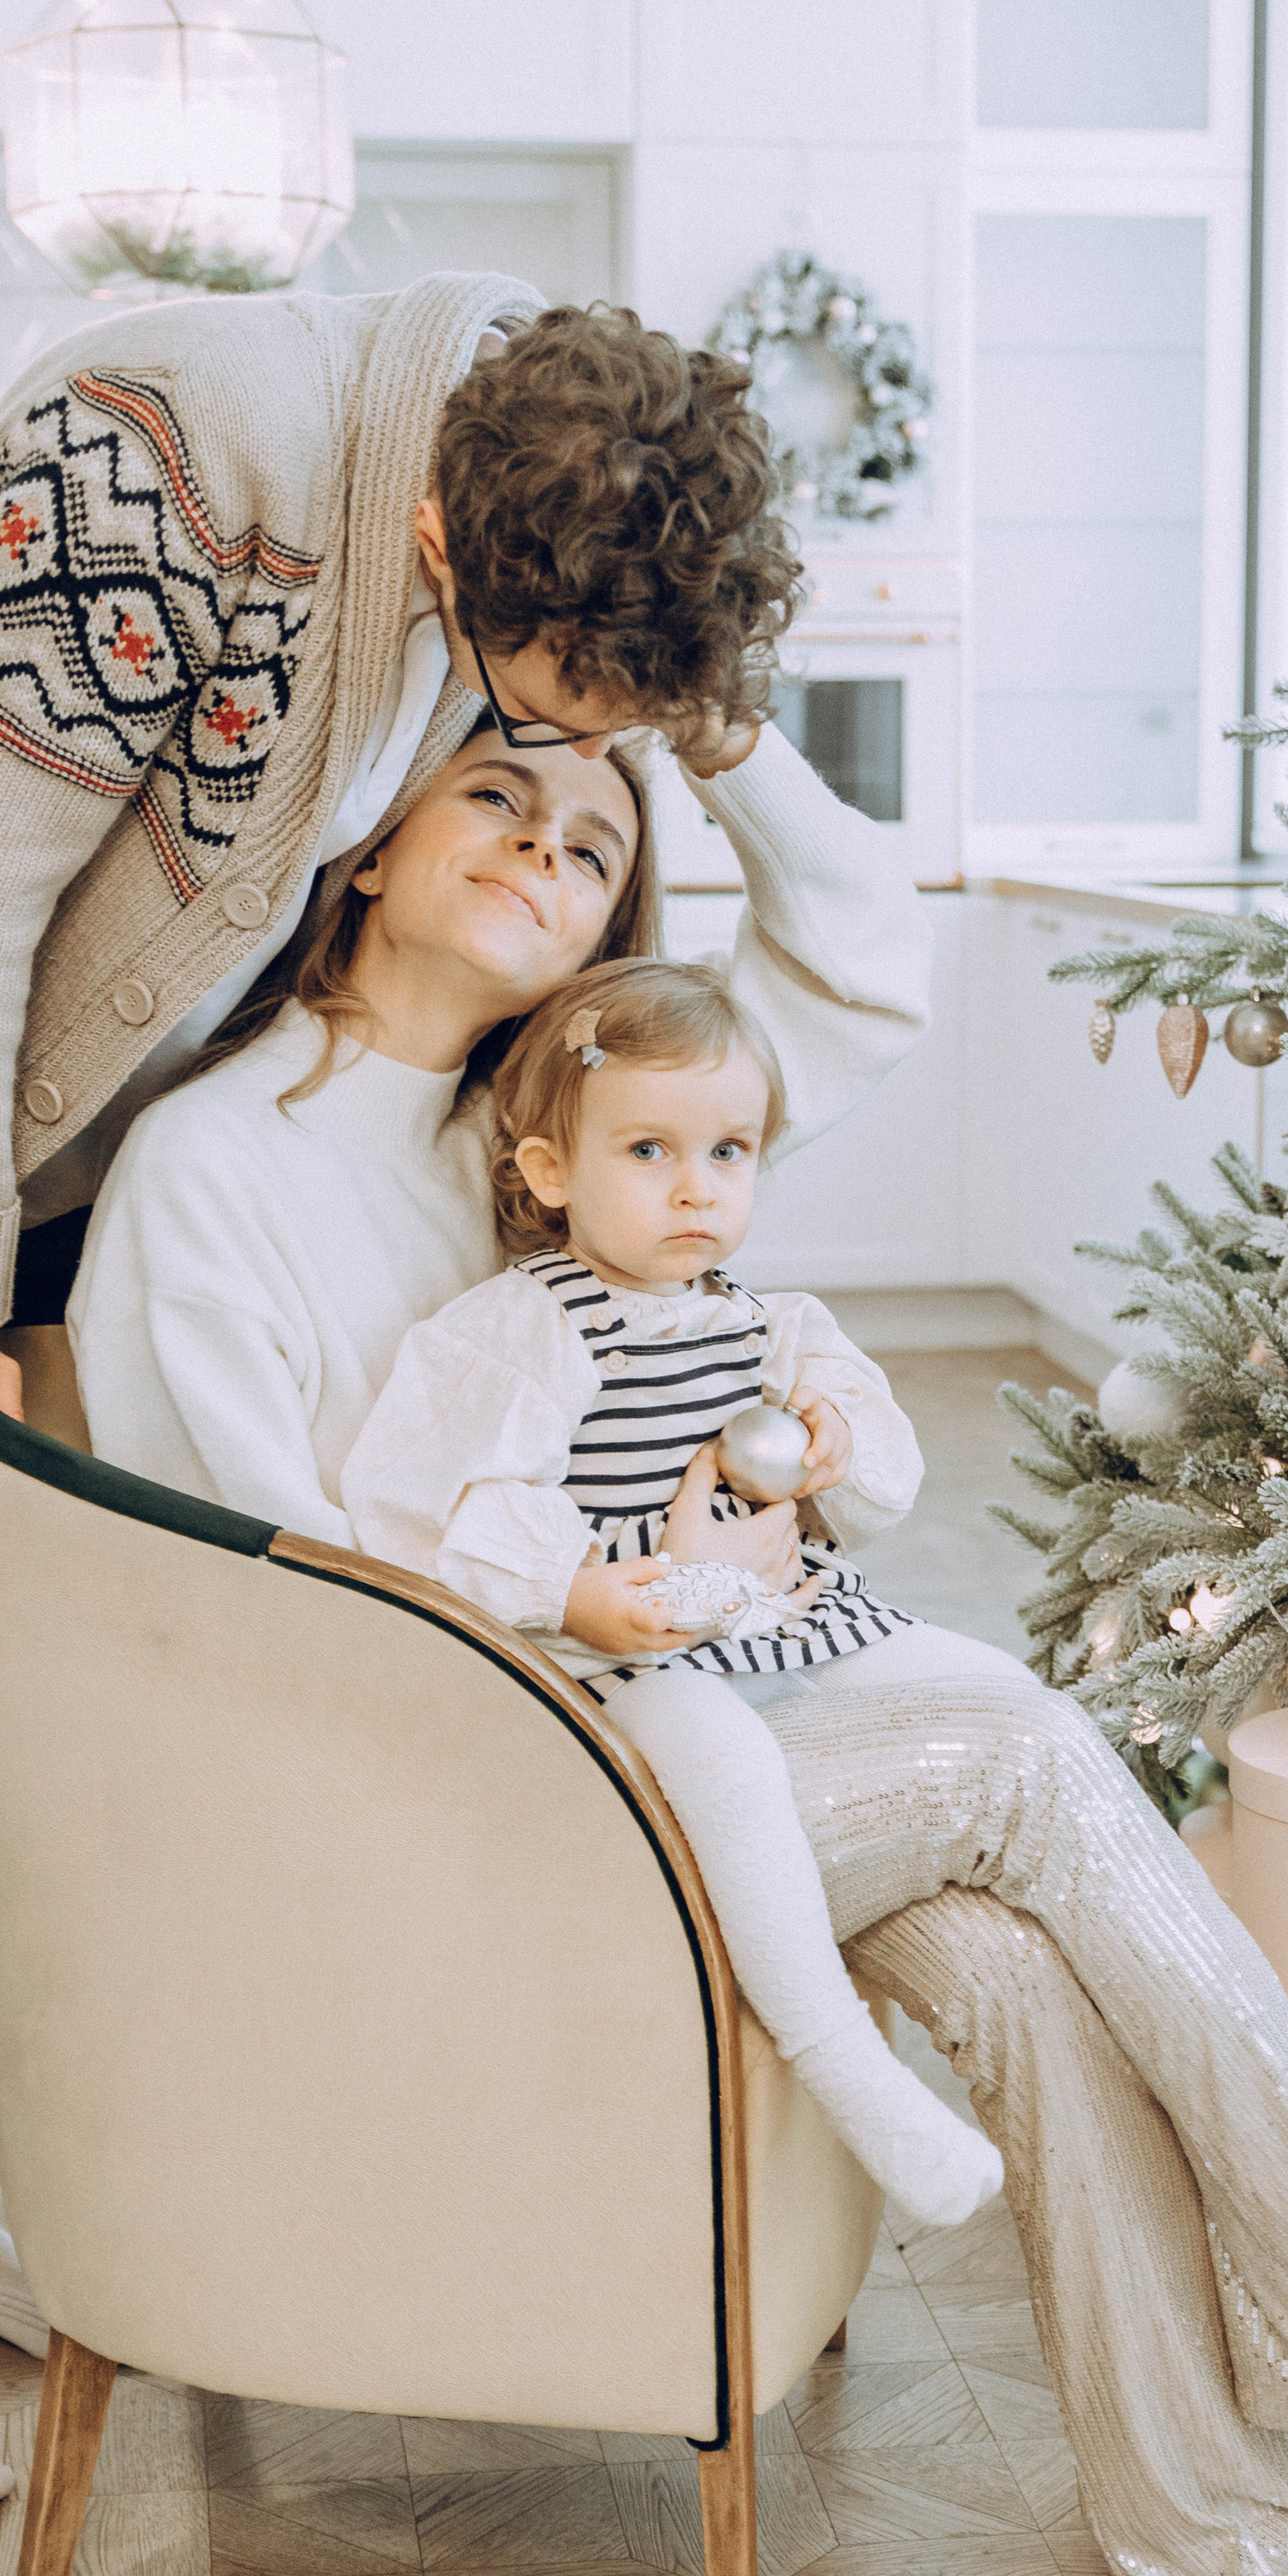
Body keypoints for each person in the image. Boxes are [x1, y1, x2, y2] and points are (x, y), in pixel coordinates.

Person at [77, 705, 1288, 2576]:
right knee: (1019, 1748)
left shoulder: (565, 1116)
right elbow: (285, 1608)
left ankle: (1208, 2534)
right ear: (364, 834)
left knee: (1018, 1969)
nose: (543, 854)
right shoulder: (219, 1163)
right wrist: (588, 1594)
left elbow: (857, 957)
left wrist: (709, 721)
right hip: (478, 1799)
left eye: (594, 843)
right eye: (495, 799)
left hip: (678, 1730)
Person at [0, 277, 812, 2530]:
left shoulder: (561, 497)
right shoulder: (163, 447)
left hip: (29, 1111)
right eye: (537, 712)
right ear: (451, 551)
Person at [341, 956, 1005, 2233]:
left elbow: (885, 1482)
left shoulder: (770, 1324)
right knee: (724, 1767)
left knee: (993, 1691)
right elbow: (423, 1499)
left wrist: (834, 1442)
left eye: (729, 1152)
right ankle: (847, 2069)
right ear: (550, 1171)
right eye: (650, 1150)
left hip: (782, 1611)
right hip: (634, 1649)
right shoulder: (531, 1325)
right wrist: (578, 1591)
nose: (698, 1187)